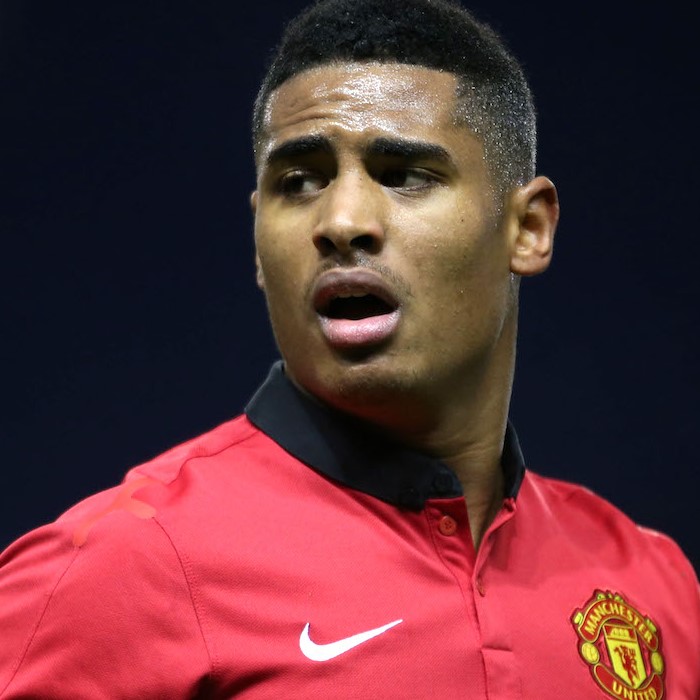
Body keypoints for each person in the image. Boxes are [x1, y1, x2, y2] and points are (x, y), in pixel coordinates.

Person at [1, 0, 697, 697]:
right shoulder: (124, 566)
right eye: (299, 182)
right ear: (257, 241)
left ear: (528, 229)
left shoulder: (653, 584)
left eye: (404, 174)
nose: (341, 221)